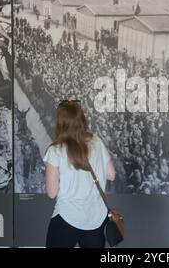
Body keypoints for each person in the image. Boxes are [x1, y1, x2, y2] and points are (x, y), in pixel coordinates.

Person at [44, 100, 116, 248]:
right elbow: (111, 175)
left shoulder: (55, 150)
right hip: (96, 219)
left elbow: (51, 193)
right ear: (81, 118)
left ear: (60, 121)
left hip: (67, 216)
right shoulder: (96, 141)